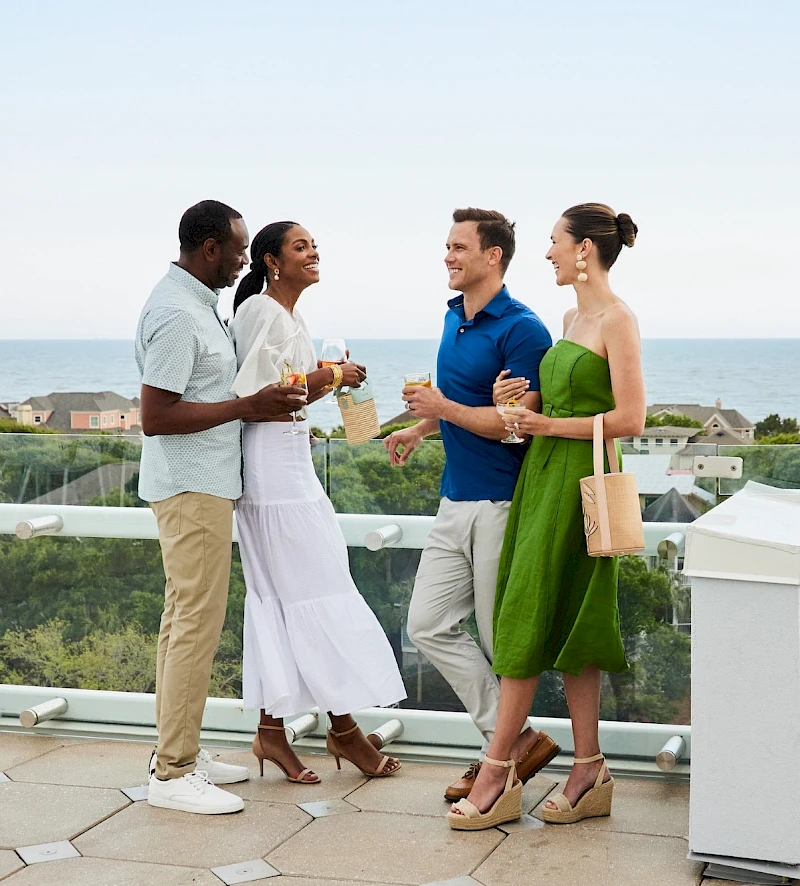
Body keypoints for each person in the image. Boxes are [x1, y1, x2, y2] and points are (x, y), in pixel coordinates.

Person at [448, 203, 646, 831]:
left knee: (542, 616)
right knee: (551, 614)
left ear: (584, 249)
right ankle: (588, 768)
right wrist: (517, 400)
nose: (549, 252)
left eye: (556, 242)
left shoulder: (618, 320)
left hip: (581, 482)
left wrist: (545, 424)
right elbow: (556, 396)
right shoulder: (569, 317)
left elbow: (632, 419)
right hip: (542, 480)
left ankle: (498, 769)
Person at [137, 200, 307, 815]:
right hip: (191, 487)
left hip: (203, 484)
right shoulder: (178, 313)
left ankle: (174, 753)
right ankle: (174, 772)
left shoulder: (196, 303)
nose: (243, 260)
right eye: (238, 249)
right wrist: (246, 408)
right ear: (210, 248)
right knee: (195, 628)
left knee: (181, 622)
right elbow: (156, 417)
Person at [384, 208, 557, 802]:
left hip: (503, 504)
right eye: (447, 247)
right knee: (426, 625)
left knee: (496, 636)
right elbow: (461, 406)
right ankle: (513, 743)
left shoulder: (524, 330)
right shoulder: (453, 317)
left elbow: (516, 427)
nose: (448, 256)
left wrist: (444, 408)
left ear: (493, 257)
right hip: (454, 500)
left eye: (459, 247)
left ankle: (497, 759)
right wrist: (421, 427)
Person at [230, 220, 407, 783]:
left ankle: (273, 733)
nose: (313, 252)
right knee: (306, 587)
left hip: (290, 458)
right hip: (270, 469)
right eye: (301, 246)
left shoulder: (293, 316)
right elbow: (258, 396)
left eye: (314, 245)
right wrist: (330, 375)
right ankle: (343, 730)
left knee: (295, 591)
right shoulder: (261, 311)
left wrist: (334, 382)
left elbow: (292, 391)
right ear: (270, 260)